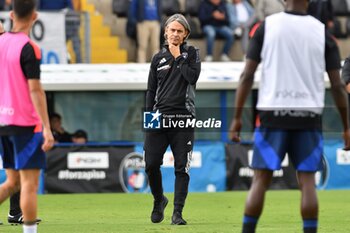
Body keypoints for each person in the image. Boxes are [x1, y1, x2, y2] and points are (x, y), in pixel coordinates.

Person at [229, 0, 350, 232]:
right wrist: (347, 125)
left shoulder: (266, 26)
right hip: (309, 116)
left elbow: (247, 76)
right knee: (307, 184)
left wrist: (237, 118)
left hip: (272, 114)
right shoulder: (322, 31)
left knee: (260, 181)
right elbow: (337, 86)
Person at [0, 1, 54, 233]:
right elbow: (35, 90)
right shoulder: (30, 48)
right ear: (35, 16)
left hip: (3, 122)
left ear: (11, 15)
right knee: (29, 185)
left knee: (12, 182)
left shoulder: (0, 43)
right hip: (25, 124)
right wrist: (47, 128)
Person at [144, 14, 201, 225]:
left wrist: (178, 56)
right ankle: (159, 200)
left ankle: (177, 213)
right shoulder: (157, 58)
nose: (175, 34)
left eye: (180, 31)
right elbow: (151, 90)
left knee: (181, 167)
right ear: (165, 32)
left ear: (186, 34)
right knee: (150, 164)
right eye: (172, 30)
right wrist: (149, 116)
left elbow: (192, 78)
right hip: (158, 118)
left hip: (183, 118)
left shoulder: (192, 53)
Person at [0, 16, 41, 228]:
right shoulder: (10, 46)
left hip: (6, 115)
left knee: (15, 175)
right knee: (17, 176)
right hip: (10, 117)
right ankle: (17, 214)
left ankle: (16, 213)